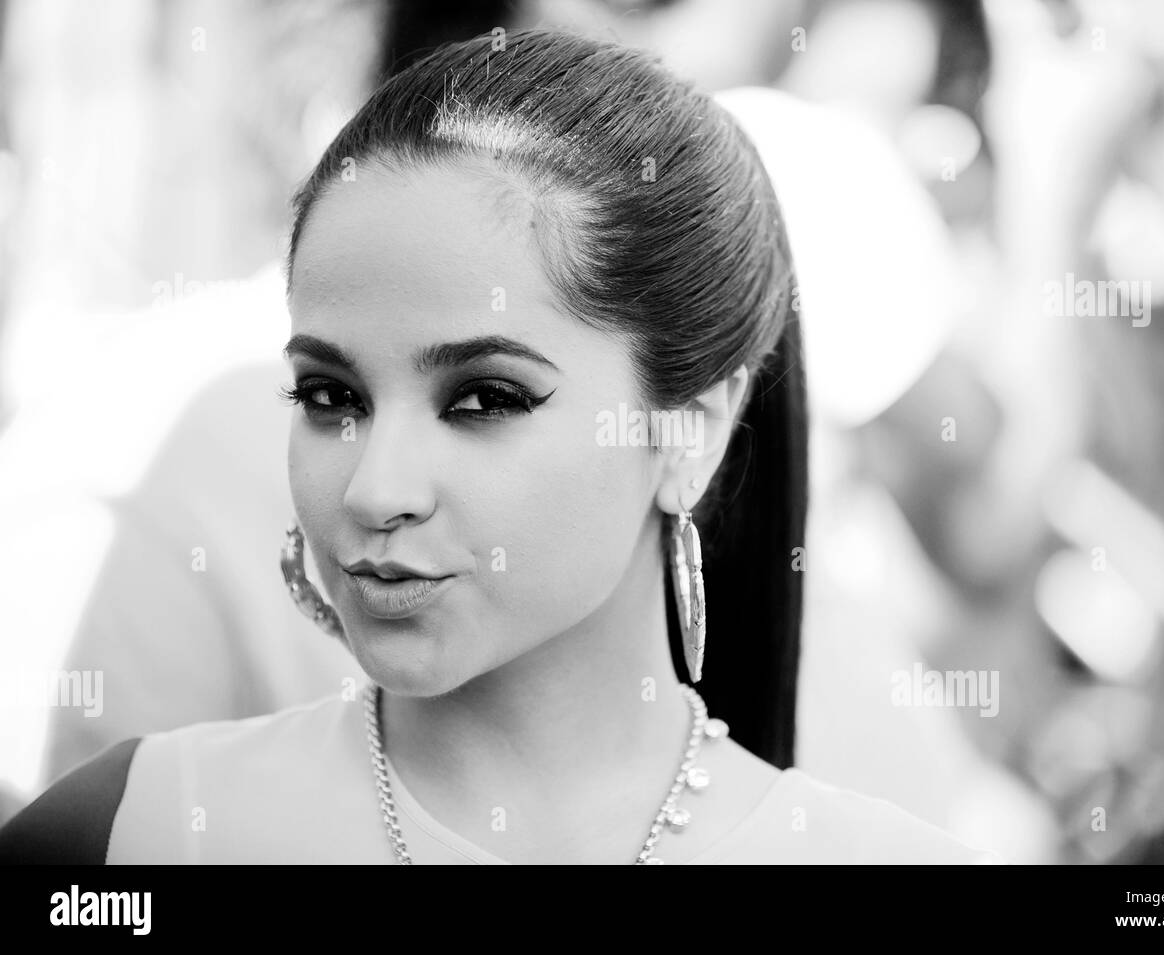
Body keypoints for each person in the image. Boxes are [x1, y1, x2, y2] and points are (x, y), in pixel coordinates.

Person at [0, 28, 995, 864]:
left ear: (690, 424)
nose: (374, 488)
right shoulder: (136, 832)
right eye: (329, 395)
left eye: (483, 397)